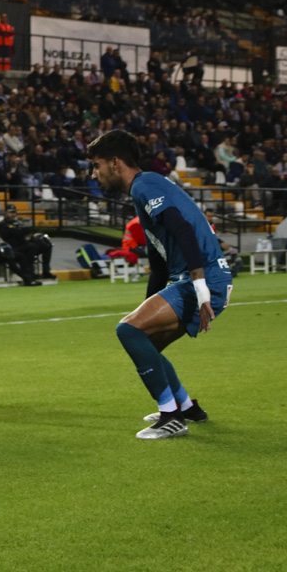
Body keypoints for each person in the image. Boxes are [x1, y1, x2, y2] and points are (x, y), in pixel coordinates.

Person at [88, 129, 232, 440]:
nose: (94, 174)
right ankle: (186, 407)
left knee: (128, 330)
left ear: (115, 163)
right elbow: (159, 262)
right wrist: (146, 307)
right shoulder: (146, 191)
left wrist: (202, 289)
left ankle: (170, 417)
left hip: (202, 278)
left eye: (96, 165)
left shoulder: (145, 185)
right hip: (198, 277)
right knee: (146, 341)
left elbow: (184, 231)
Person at [0, 203, 54, 280]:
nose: (13, 214)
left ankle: (46, 271)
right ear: (5, 213)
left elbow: (28, 230)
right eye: (10, 212)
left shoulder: (18, 222)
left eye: (14, 212)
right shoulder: (3, 224)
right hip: (14, 247)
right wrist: (20, 231)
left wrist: (20, 231)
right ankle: (30, 272)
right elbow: (13, 234)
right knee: (31, 247)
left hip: (24, 244)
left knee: (46, 245)